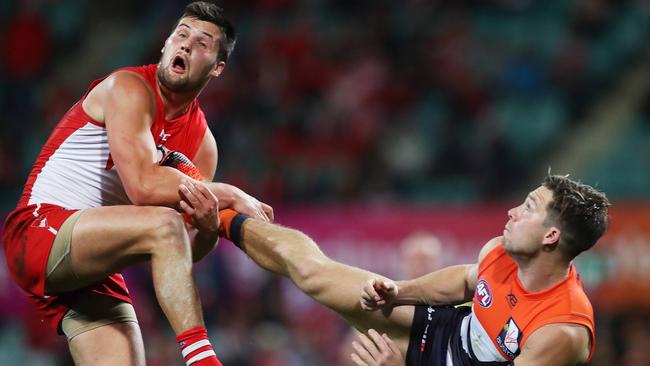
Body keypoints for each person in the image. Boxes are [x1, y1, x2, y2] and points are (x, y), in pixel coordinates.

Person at [2, 2, 272, 366]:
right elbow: (143, 187)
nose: (186, 45)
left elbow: (179, 252)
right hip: (38, 229)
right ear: (164, 44)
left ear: (218, 68)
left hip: (92, 263)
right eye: (181, 34)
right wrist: (231, 193)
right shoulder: (127, 87)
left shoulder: (203, 145)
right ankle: (203, 359)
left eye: (202, 43)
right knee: (164, 224)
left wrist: (208, 229)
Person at [213, 174, 608, 365]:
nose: (512, 212)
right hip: (445, 331)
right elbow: (466, 280)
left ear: (551, 236)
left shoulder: (562, 331)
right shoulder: (504, 250)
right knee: (315, 274)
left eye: (528, 208)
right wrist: (397, 291)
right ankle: (220, 218)